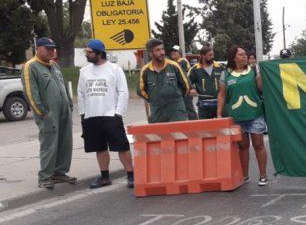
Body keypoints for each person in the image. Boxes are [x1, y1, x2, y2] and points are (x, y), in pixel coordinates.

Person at [77, 39, 134, 189]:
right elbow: (81, 93)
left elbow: (123, 92)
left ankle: (131, 175)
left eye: (89, 52)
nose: (87, 55)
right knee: (99, 148)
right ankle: (104, 177)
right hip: (91, 116)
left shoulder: (114, 69)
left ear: (99, 53)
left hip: (111, 115)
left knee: (122, 146)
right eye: (86, 52)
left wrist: (118, 113)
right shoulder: (84, 71)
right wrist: (83, 114)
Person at [21, 37, 77, 189]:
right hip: (47, 113)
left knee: (65, 142)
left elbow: (64, 85)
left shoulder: (54, 65)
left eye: (53, 48)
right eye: (47, 48)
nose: (51, 51)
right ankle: (45, 176)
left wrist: (69, 105)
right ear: (37, 48)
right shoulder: (31, 66)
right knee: (49, 144)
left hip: (64, 111)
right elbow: (31, 93)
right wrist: (42, 112)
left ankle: (59, 173)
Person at [217, 46, 269, 186]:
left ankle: (263, 175)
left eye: (245, 54)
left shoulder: (254, 70)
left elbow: (261, 88)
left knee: (258, 144)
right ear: (233, 58)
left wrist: (259, 75)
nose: (245, 56)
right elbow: (222, 95)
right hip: (236, 116)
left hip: (255, 114)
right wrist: (219, 113)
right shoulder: (226, 74)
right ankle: (244, 175)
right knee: (243, 146)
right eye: (241, 55)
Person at [137, 39, 191, 123]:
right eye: (158, 50)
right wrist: (154, 98)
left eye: (162, 49)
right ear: (151, 53)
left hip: (176, 112)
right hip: (157, 113)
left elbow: (187, 86)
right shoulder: (145, 70)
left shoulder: (174, 66)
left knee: (179, 135)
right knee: (160, 135)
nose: (162, 52)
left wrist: (177, 95)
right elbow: (141, 90)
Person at [188, 45, 225, 119]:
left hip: (220, 104)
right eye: (210, 55)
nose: (212, 57)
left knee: (223, 128)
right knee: (205, 129)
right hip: (204, 106)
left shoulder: (220, 67)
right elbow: (186, 81)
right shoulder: (195, 69)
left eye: (213, 54)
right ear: (203, 56)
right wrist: (191, 89)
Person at [169, 45, 197, 120]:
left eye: (175, 51)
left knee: (189, 110)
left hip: (185, 90)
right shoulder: (172, 63)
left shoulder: (182, 61)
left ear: (180, 53)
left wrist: (191, 88)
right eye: (172, 51)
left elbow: (186, 76)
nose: (173, 52)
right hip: (178, 91)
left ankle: (196, 125)